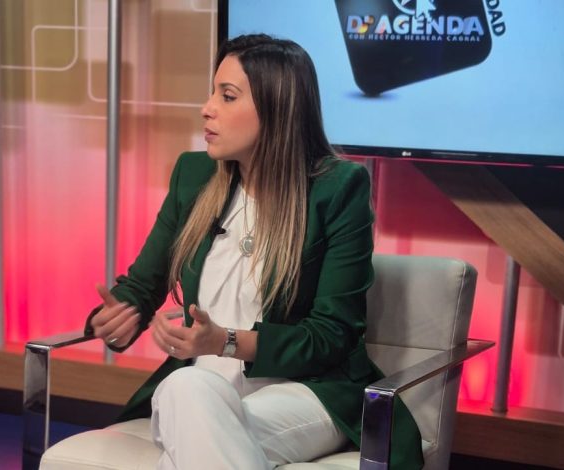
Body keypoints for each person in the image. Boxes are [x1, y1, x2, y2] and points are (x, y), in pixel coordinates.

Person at [79, 34, 423, 469]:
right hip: (199, 385)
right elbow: (142, 286)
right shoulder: (193, 175)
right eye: (212, 92)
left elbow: (332, 336)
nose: (207, 108)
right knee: (189, 391)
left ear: (277, 108)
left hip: (304, 393)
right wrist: (119, 318)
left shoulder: (336, 189)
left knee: (191, 422)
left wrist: (224, 342)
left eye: (227, 96)